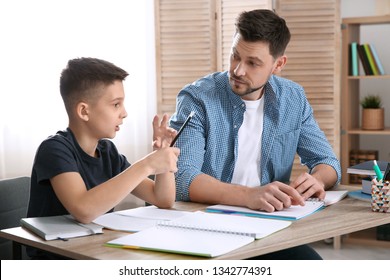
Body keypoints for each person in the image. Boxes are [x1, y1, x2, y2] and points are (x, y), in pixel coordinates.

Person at [169, 9, 341, 260]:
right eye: (234, 56)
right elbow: (182, 179)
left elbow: (329, 163)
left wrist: (318, 180)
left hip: (265, 225)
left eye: (252, 63)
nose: (238, 70)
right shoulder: (197, 98)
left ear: (278, 64)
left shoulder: (293, 98)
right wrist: (249, 196)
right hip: (204, 225)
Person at [27, 57, 180, 259]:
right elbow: (84, 210)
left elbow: (163, 199)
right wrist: (147, 164)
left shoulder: (108, 152)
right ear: (84, 111)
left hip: (95, 251)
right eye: (116, 104)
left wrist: (163, 156)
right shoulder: (54, 150)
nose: (124, 113)